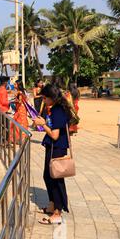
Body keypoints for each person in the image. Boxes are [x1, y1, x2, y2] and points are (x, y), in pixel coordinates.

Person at [33, 84, 75, 225]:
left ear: (52, 98)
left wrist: (42, 124)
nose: (43, 101)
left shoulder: (58, 111)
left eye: (45, 98)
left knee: (55, 179)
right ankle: (52, 204)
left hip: (57, 148)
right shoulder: (54, 109)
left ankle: (58, 211)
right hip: (52, 147)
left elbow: (55, 135)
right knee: (48, 176)